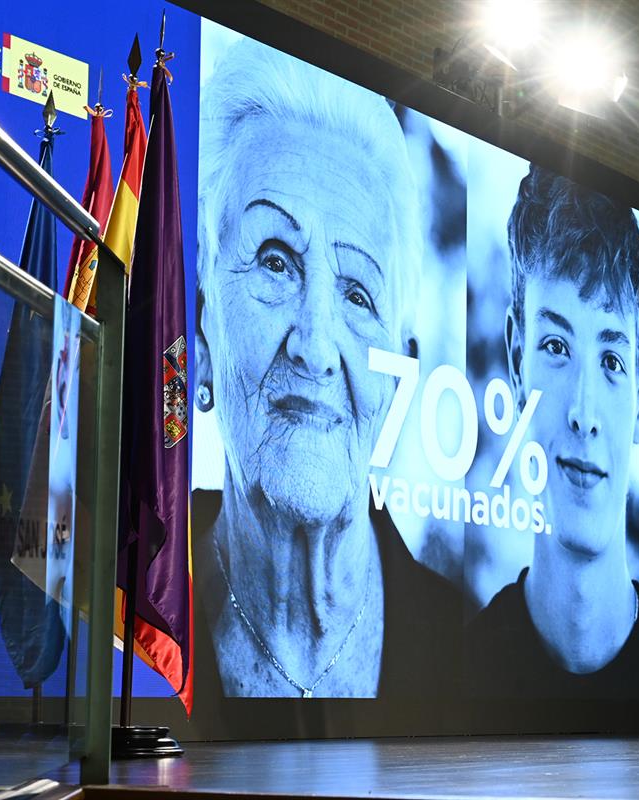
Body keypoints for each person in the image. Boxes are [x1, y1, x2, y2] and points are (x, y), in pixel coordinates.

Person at [192, 35, 459, 699]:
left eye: (357, 293)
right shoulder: (127, 613)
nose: (314, 346)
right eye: (276, 261)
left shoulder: (473, 646)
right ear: (200, 330)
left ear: (397, 379)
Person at [465, 164, 639, 698]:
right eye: (556, 347)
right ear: (517, 361)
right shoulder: (468, 666)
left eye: (612, 359)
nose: (583, 412)